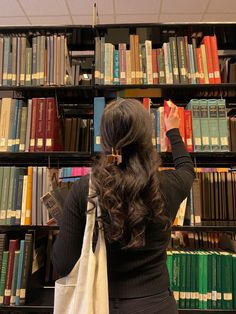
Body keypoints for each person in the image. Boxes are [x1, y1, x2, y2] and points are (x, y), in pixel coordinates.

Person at [52, 98, 194, 314]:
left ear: (106, 138)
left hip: (99, 304)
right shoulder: (169, 185)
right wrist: (172, 131)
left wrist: (69, 224)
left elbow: (63, 264)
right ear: (146, 138)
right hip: (156, 305)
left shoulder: (86, 189)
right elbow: (187, 169)